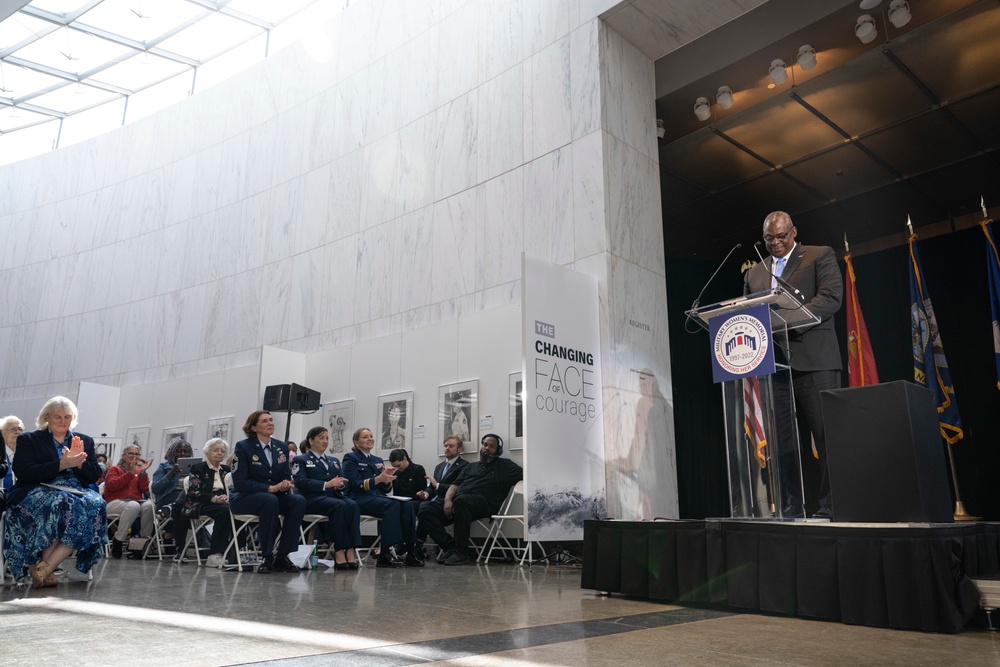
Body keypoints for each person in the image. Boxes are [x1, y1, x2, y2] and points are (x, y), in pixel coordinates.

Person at [743, 210, 843, 519]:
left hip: (816, 362)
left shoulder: (819, 255)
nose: (775, 243)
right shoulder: (754, 274)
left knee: (826, 435)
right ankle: (791, 505)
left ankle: (830, 505)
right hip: (777, 366)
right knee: (784, 441)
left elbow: (830, 298)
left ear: (794, 232)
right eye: (769, 238)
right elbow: (750, 315)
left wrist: (787, 320)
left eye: (781, 236)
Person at [2, 396, 107, 587]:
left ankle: (44, 568)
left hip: (75, 489)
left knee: (96, 504)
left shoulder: (84, 440)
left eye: (67, 417)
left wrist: (80, 463)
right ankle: (47, 569)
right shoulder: (29, 439)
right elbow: (24, 472)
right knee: (61, 503)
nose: (63, 421)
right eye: (58, 417)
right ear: (47, 418)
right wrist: (61, 464)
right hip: (37, 488)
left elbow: (94, 476)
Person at [418, 433, 522, 565]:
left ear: (498, 450)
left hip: (485, 504)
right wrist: (448, 500)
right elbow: (454, 486)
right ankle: (450, 546)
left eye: (491, 446)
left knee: (462, 501)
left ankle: (462, 552)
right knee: (425, 508)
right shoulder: (471, 466)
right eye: (485, 445)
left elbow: (528, 475)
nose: (487, 448)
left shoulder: (506, 466)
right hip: (459, 502)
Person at [230, 410, 305, 573]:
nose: (270, 423)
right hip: (245, 497)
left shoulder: (281, 446)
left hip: (274, 497)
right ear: (254, 427)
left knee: (298, 501)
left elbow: (286, 474)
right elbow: (240, 482)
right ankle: (267, 555)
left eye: (271, 420)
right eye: (264, 421)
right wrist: (270, 488)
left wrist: (286, 484)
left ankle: (283, 556)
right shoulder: (243, 447)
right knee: (269, 500)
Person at [343, 427, 422, 567]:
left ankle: (411, 550)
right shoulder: (351, 458)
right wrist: (379, 479)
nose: (370, 439)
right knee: (391, 505)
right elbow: (354, 484)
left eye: (371, 436)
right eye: (365, 437)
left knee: (407, 505)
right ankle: (385, 553)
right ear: (356, 442)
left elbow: (384, 489)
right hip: (359, 498)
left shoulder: (377, 459)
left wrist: (386, 481)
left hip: (377, 497)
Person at [291, 426, 361, 570]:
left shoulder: (333, 460)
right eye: (321, 438)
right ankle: (339, 551)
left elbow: (341, 482)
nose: (325, 441)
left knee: (353, 504)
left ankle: (350, 549)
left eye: (327, 438)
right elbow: (301, 482)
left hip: (332, 497)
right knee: (339, 506)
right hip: (311, 498)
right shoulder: (301, 459)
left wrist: (340, 485)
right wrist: (326, 484)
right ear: (311, 441)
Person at [173, 438, 234, 568]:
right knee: (224, 511)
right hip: (200, 503)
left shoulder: (226, 470)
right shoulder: (198, 468)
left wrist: (228, 497)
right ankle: (215, 554)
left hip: (224, 502)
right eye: (215, 450)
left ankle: (234, 551)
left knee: (237, 509)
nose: (219, 453)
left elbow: (234, 489)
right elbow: (194, 492)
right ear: (207, 452)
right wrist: (214, 498)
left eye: (222, 451)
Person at [413, 435, 469, 553]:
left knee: (424, 509)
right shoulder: (439, 466)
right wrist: (426, 494)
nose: (447, 448)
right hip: (433, 502)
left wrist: (437, 485)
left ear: (459, 449)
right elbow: (431, 486)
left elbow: (460, 488)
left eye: (451, 446)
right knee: (409, 506)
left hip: (449, 504)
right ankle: (406, 544)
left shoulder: (465, 466)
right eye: (445, 446)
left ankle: (447, 545)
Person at [104, 443, 156, 558]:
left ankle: (141, 543)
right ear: (123, 455)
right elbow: (112, 486)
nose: (134, 456)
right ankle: (119, 539)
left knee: (149, 505)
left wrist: (142, 474)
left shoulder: (138, 471)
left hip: (134, 502)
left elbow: (143, 489)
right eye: (131, 453)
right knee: (133, 505)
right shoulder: (114, 469)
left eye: (137, 454)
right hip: (114, 502)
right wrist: (130, 474)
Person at [151, 440, 194, 511]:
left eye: (186, 452)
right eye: (179, 451)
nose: (183, 454)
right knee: (184, 502)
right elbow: (155, 489)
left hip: (190, 497)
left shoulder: (195, 467)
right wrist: (171, 474)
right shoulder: (164, 466)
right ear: (173, 453)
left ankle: (173, 508)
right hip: (169, 497)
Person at [388, 448, 428, 523]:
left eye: (398, 465)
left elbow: (423, 491)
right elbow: (396, 493)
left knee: (406, 506)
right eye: (394, 467)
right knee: (386, 505)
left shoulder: (418, 469)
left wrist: (421, 494)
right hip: (401, 501)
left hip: (415, 501)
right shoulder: (396, 472)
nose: (397, 468)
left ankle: (407, 533)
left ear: (405, 459)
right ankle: (387, 533)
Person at [1, 415, 24, 491]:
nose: (17, 432)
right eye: (13, 429)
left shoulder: (27, 455)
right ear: (1, 433)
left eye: (20, 429)